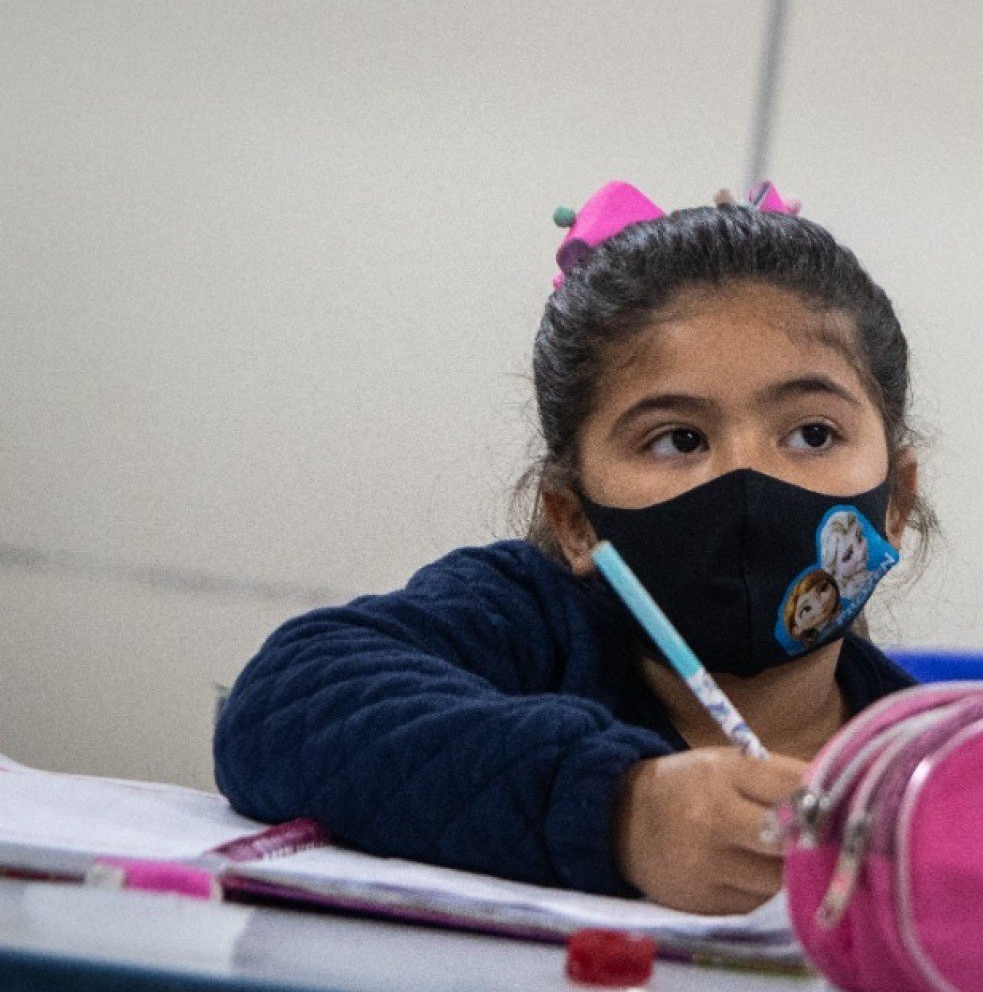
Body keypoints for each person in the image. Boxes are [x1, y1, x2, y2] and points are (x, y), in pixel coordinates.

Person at [215, 183, 931, 913]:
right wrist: (624, 809)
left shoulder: (938, 759)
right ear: (575, 519)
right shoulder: (528, 623)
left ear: (896, 500)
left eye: (812, 433)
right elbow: (285, 702)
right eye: (677, 439)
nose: (747, 480)